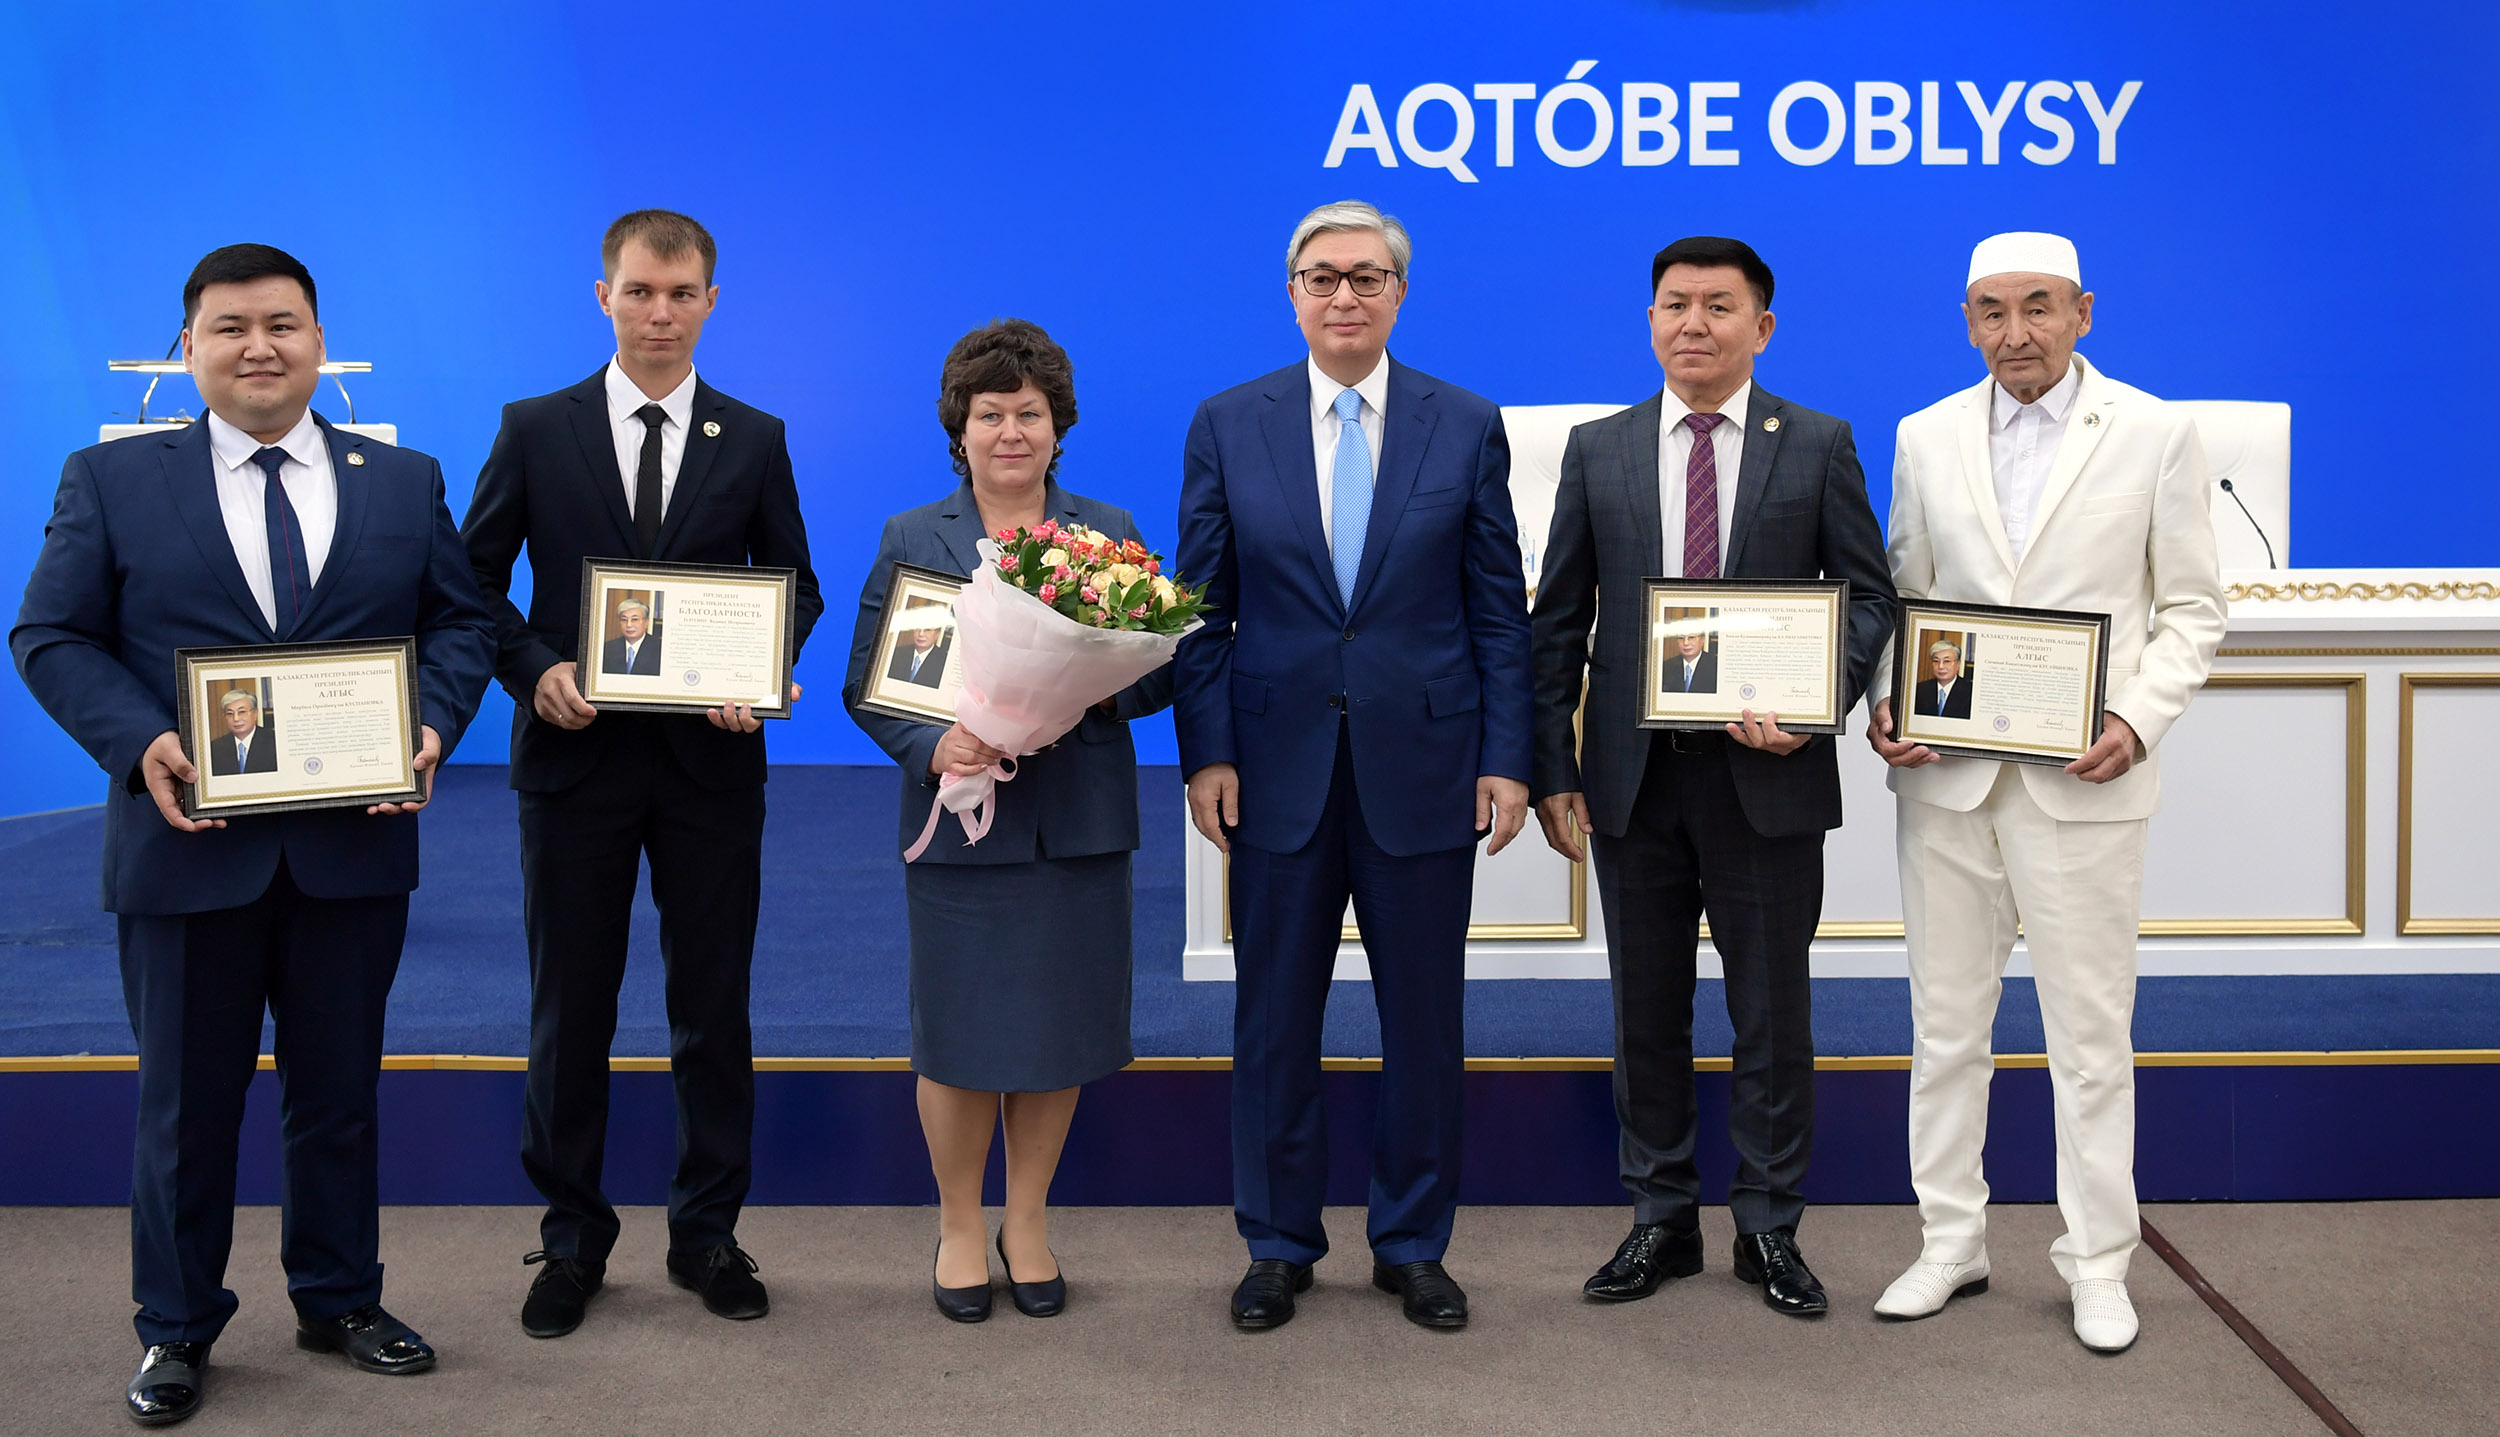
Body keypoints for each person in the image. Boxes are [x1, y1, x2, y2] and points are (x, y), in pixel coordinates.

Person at [11, 243, 495, 1425]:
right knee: (187, 1107)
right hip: (184, 846)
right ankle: (175, 1327)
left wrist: (433, 723)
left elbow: (460, 623)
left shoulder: (404, 480)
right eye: (230, 328)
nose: (259, 347)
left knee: (339, 1095)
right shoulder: (109, 479)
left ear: (320, 342)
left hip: (352, 848)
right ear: (188, 348)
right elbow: (51, 636)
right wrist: (139, 740)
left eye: (282, 324)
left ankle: (339, 1299)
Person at [461, 210, 821, 1338]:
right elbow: (471, 585)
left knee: (712, 1008)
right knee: (570, 1011)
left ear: (712, 301)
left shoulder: (752, 436)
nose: (660, 313)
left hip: (710, 766)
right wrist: (533, 669)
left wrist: (761, 672)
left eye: (681, 293)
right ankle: (571, 1239)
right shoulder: (535, 427)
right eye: (639, 291)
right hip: (572, 766)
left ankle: (707, 1231)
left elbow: (796, 584)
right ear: (602, 296)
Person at [1176, 200, 1533, 1332]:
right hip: (1271, 769)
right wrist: (1206, 752)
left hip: (1424, 767)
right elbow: (1200, 611)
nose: (1345, 295)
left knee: (1423, 1023)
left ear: (1399, 293)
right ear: (1292, 293)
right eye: (1323, 277)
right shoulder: (1226, 423)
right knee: (1273, 1023)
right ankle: (1276, 1242)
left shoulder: (1463, 422)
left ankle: (1413, 1243)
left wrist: (1508, 756)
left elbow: (1497, 611)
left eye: (1367, 277)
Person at [1866, 232, 2225, 1352]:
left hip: (2086, 779)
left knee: (2088, 1037)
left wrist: (2139, 717)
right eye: (1991, 311)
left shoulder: (2156, 431)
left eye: (2037, 307)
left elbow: (2192, 609)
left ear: (2082, 312)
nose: (2014, 332)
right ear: (1967, 321)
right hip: (1948, 783)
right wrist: (1888, 701)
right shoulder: (1924, 434)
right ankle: (1949, 1242)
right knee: (1944, 1030)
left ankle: (2098, 1262)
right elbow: (1904, 593)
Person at [1529, 236, 1895, 1318]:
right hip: (1633, 780)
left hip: (1766, 778)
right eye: (1675, 304)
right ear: (1650, 320)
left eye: (1718, 306)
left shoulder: (1817, 442)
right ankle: (1661, 1216)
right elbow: (1558, 621)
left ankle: (1770, 1225)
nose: (1694, 323)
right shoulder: (1598, 448)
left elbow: (1869, 597)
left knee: (1771, 1014)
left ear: (1761, 327)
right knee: (1644, 1010)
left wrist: (1812, 702)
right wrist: (1553, 765)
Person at [843, 318, 1171, 1322]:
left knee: (1056, 1033)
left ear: (1058, 425)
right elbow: (871, 683)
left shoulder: (1105, 529)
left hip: (1077, 821)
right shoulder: (914, 535)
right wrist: (934, 745)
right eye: (991, 414)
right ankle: (957, 1225)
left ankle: (1026, 1221)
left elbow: (1157, 674)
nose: (1011, 432)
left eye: (1029, 413)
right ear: (961, 427)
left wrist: (1088, 683)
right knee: (958, 1036)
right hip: (961, 821)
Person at [208, 690, 280, 774]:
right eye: (230, 713)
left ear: (255, 714)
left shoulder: (275, 742)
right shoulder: (215, 749)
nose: (236, 718)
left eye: (242, 712)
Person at [886, 609, 951, 688]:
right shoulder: (897, 653)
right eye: (917, 628)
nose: (921, 634)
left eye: (927, 630)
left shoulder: (945, 662)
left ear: (937, 634)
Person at [600, 597, 662, 675]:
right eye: (624, 619)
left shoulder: (660, 649)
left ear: (646, 622)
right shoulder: (608, 649)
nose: (628, 625)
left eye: (634, 619)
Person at [1915, 641, 1972, 719]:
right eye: (1936, 661)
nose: (1940, 666)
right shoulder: (1920, 690)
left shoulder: (1970, 692)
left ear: (1958, 664)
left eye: (1947, 661)